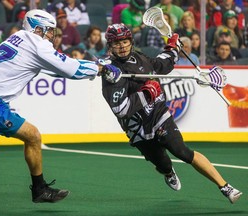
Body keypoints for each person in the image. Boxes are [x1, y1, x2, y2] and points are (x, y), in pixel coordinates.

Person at [0, 9, 121, 203]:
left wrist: (95, 67)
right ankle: (39, 190)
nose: (52, 35)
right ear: (38, 29)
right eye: (49, 30)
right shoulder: (37, 44)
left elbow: (55, 68)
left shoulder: (18, 37)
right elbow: (69, 68)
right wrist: (100, 68)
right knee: (33, 136)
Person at [101, 23, 242, 204]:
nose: (122, 46)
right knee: (163, 163)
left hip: (158, 114)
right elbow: (121, 109)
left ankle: (225, 187)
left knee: (181, 151)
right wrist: (146, 94)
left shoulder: (139, 57)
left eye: (125, 41)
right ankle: (168, 171)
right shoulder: (111, 73)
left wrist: (172, 48)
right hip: (137, 127)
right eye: (117, 43)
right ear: (110, 46)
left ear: (131, 41)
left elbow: (160, 65)